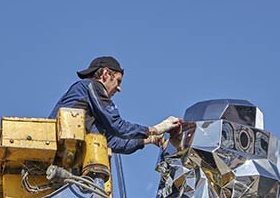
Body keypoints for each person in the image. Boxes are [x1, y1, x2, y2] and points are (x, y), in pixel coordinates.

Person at [50, 56, 181, 155]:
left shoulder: (89, 116)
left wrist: (150, 139)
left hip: (62, 152)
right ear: (106, 74)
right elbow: (117, 125)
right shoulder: (91, 86)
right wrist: (156, 129)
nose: (119, 88)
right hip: (58, 144)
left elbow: (113, 142)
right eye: (118, 81)